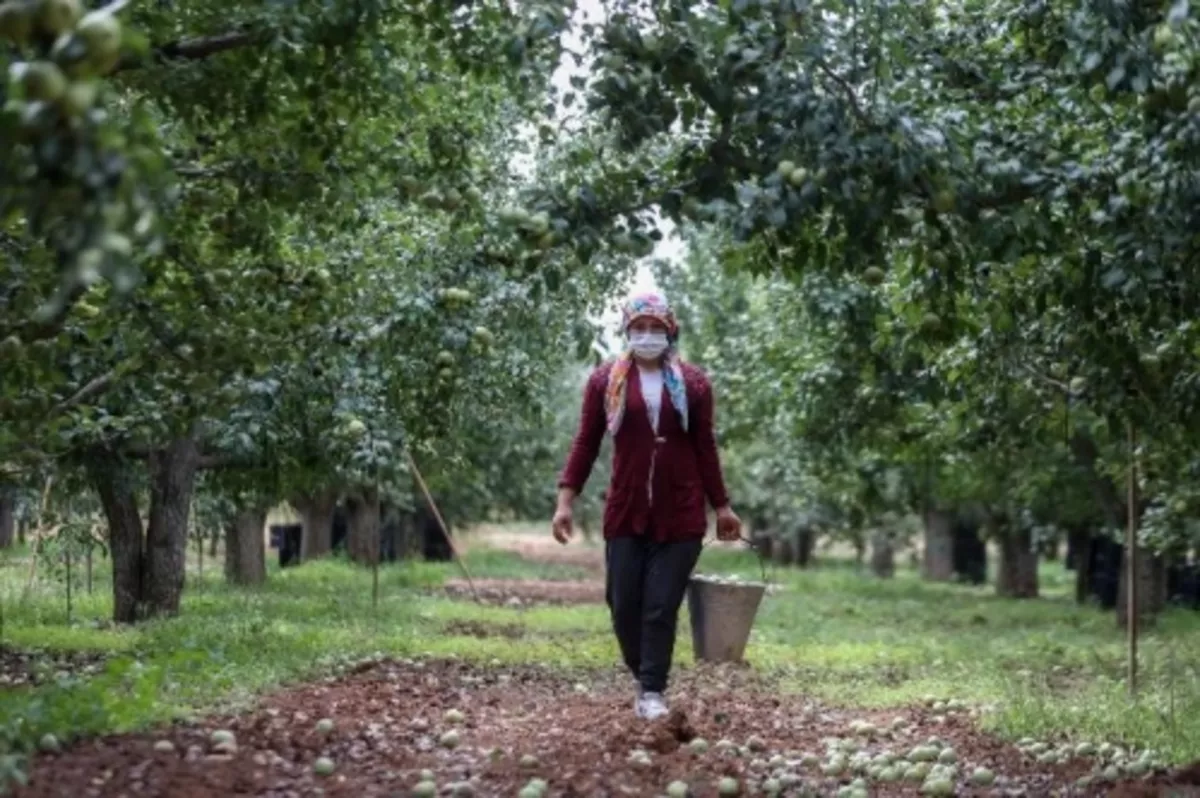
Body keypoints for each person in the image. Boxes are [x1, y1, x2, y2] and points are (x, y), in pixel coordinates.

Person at [552, 290, 742, 720]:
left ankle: (653, 690)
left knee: (660, 604)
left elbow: (705, 447)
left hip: (681, 510)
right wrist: (566, 500)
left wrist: (723, 506)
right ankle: (644, 674)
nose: (648, 336)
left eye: (656, 328)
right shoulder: (605, 382)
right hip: (626, 507)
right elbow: (586, 442)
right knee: (623, 603)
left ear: (670, 331)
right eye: (639, 328)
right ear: (627, 332)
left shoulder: (694, 384)